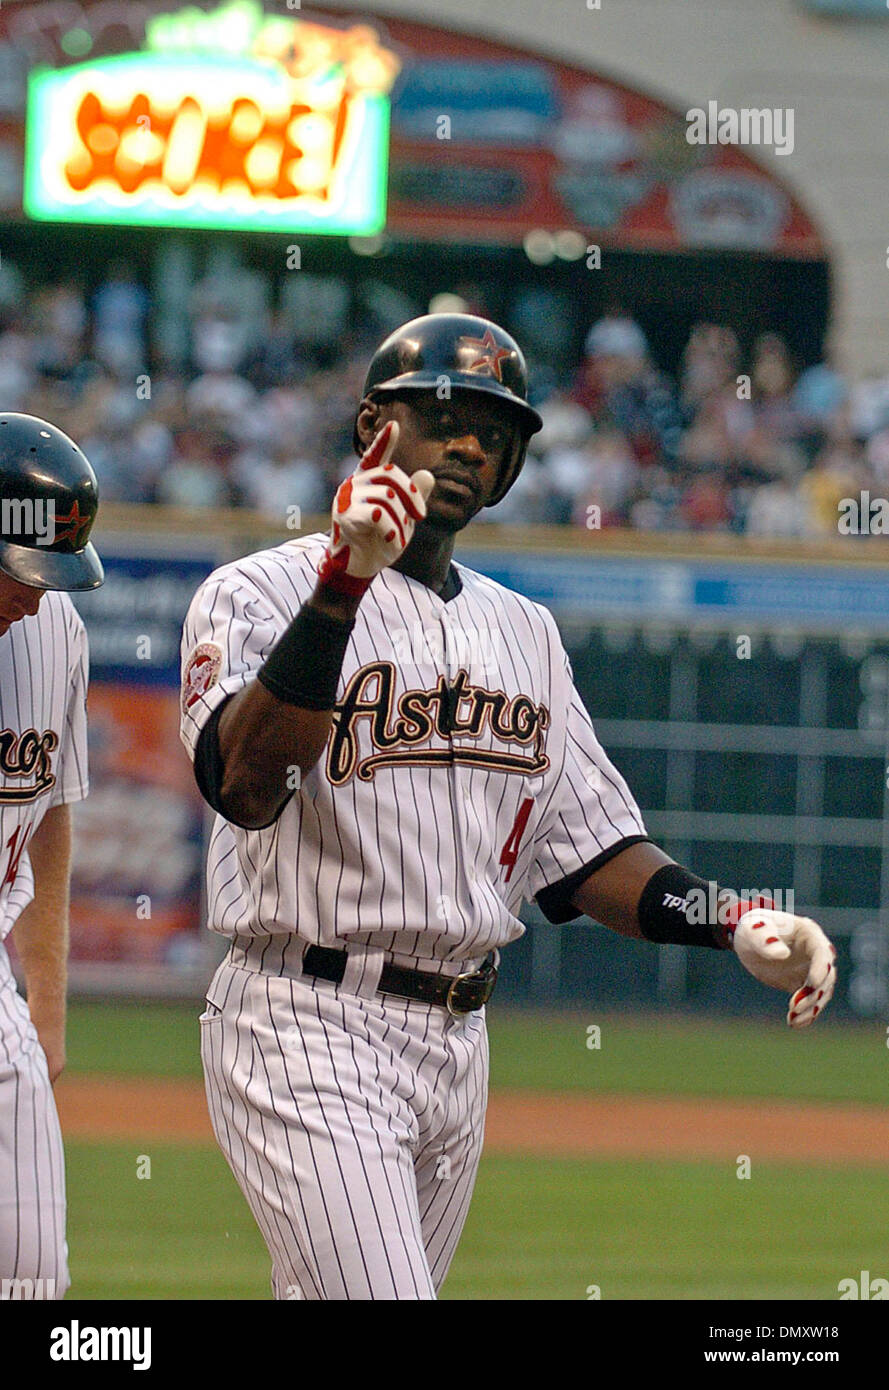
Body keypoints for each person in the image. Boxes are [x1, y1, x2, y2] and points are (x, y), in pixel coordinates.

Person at [180, 314, 837, 1302]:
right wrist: (339, 589)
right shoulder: (257, 591)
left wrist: (731, 917)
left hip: (459, 1039)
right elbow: (245, 785)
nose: (470, 442)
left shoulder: (522, 629)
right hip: (306, 1019)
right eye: (442, 415)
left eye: (496, 427)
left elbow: (589, 853)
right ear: (372, 426)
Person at [0, 413, 103, 1300]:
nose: (36, 593)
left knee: (36, 1280)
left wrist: (48, 999)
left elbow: (47, 816)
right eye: (19, 570)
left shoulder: (54, 628)